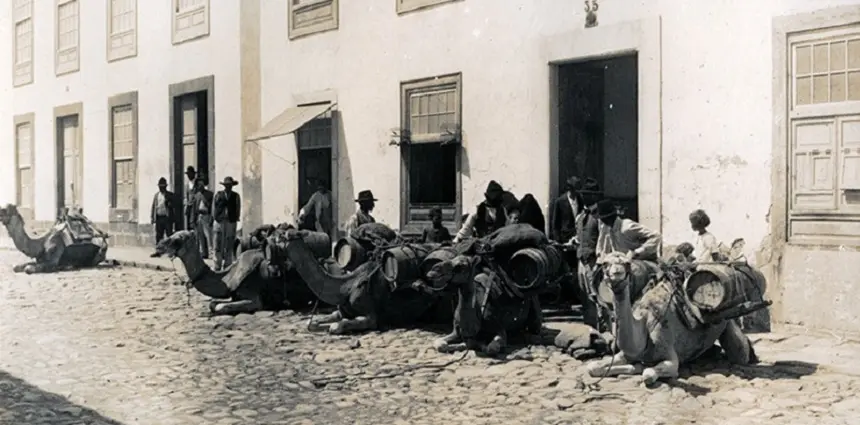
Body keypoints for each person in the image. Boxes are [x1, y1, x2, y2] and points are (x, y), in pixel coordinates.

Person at [594, 199, 662, 261]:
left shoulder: (627, 227)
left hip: (641, 261)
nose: (602, 222)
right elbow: (602, 248)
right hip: (621, 262)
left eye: (603, 219)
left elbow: (656, 236)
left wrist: (639, 251)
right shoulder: (607, 229)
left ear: (607, 219)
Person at [453, 180, 518, 243]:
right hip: (481, 245)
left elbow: (507, 228)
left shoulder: (502, 211)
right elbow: (465, 230)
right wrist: (456, 241)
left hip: (497, 244)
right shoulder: (477, 210)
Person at [212, 176, 241, 270]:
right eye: (227, 185)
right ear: (224, 186)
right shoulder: (218, 195)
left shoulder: (235, 196)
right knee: (218, 244)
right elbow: (214, 207)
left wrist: (235, 218)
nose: (228, 187)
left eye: (230, 185)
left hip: (230, 222)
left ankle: (227, 265)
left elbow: (238, 208)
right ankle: (217, 265)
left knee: (229, 243)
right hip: (219, 222)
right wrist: (215, 218)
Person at [549, 177, 584, 244]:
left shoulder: (580, 200)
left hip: (578, 239)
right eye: (574, 190)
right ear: (569, 189)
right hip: (565, 239)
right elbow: (555, 224)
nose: (576, 192)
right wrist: (558, 240)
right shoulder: (560, 202)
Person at [192, 177, 214, 259]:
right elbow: (194, 208)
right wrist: (193, 219)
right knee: (200, 236)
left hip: (206, 216)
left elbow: (212, 207)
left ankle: (211, 253)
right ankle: (203, 253)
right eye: (199, 185)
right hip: (199, 217)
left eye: (202, 184)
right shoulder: (197, 195)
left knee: (208, 235)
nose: (200, 186)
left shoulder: (209, 194)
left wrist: (212, 217)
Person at [150, 177, 176, 245]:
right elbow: (154, 206)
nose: (161, 188)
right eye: (160, 186)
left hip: (167, 218)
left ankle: (170, 250)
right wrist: (152, 218)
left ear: (165, 186)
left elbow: (173, 206)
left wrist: (169, 203)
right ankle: (159, 250)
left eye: (163, 186)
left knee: (169, 235)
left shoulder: (170, 195)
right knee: (159, 235)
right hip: (159, 218)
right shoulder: (156, 195)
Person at [183, 166, 197, 230]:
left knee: (195, 224)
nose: (189, 175)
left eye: (190, 174)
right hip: (189, 206)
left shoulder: (198, 183)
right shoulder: (187, 185)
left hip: (196, 206)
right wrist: (186, 205)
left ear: (193, 174)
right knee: (188, 224)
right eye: (188, 174)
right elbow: (186, 196)